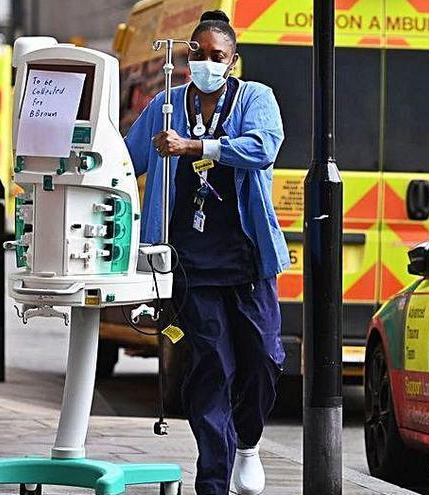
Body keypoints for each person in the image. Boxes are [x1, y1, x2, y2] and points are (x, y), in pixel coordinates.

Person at [124, 11, 289, 495]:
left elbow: (262, 147)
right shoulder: (165, 106)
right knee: (212, 367)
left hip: (247, 261)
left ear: (232, 61)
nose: (208, 62)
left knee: (263, 360)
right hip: (192, 266)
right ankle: (213, 481)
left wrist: (195, 146)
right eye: (199, 53)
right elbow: (126, 159)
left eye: (219, 56)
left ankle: (249, 444)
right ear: (188, 55)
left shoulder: (256, 98)